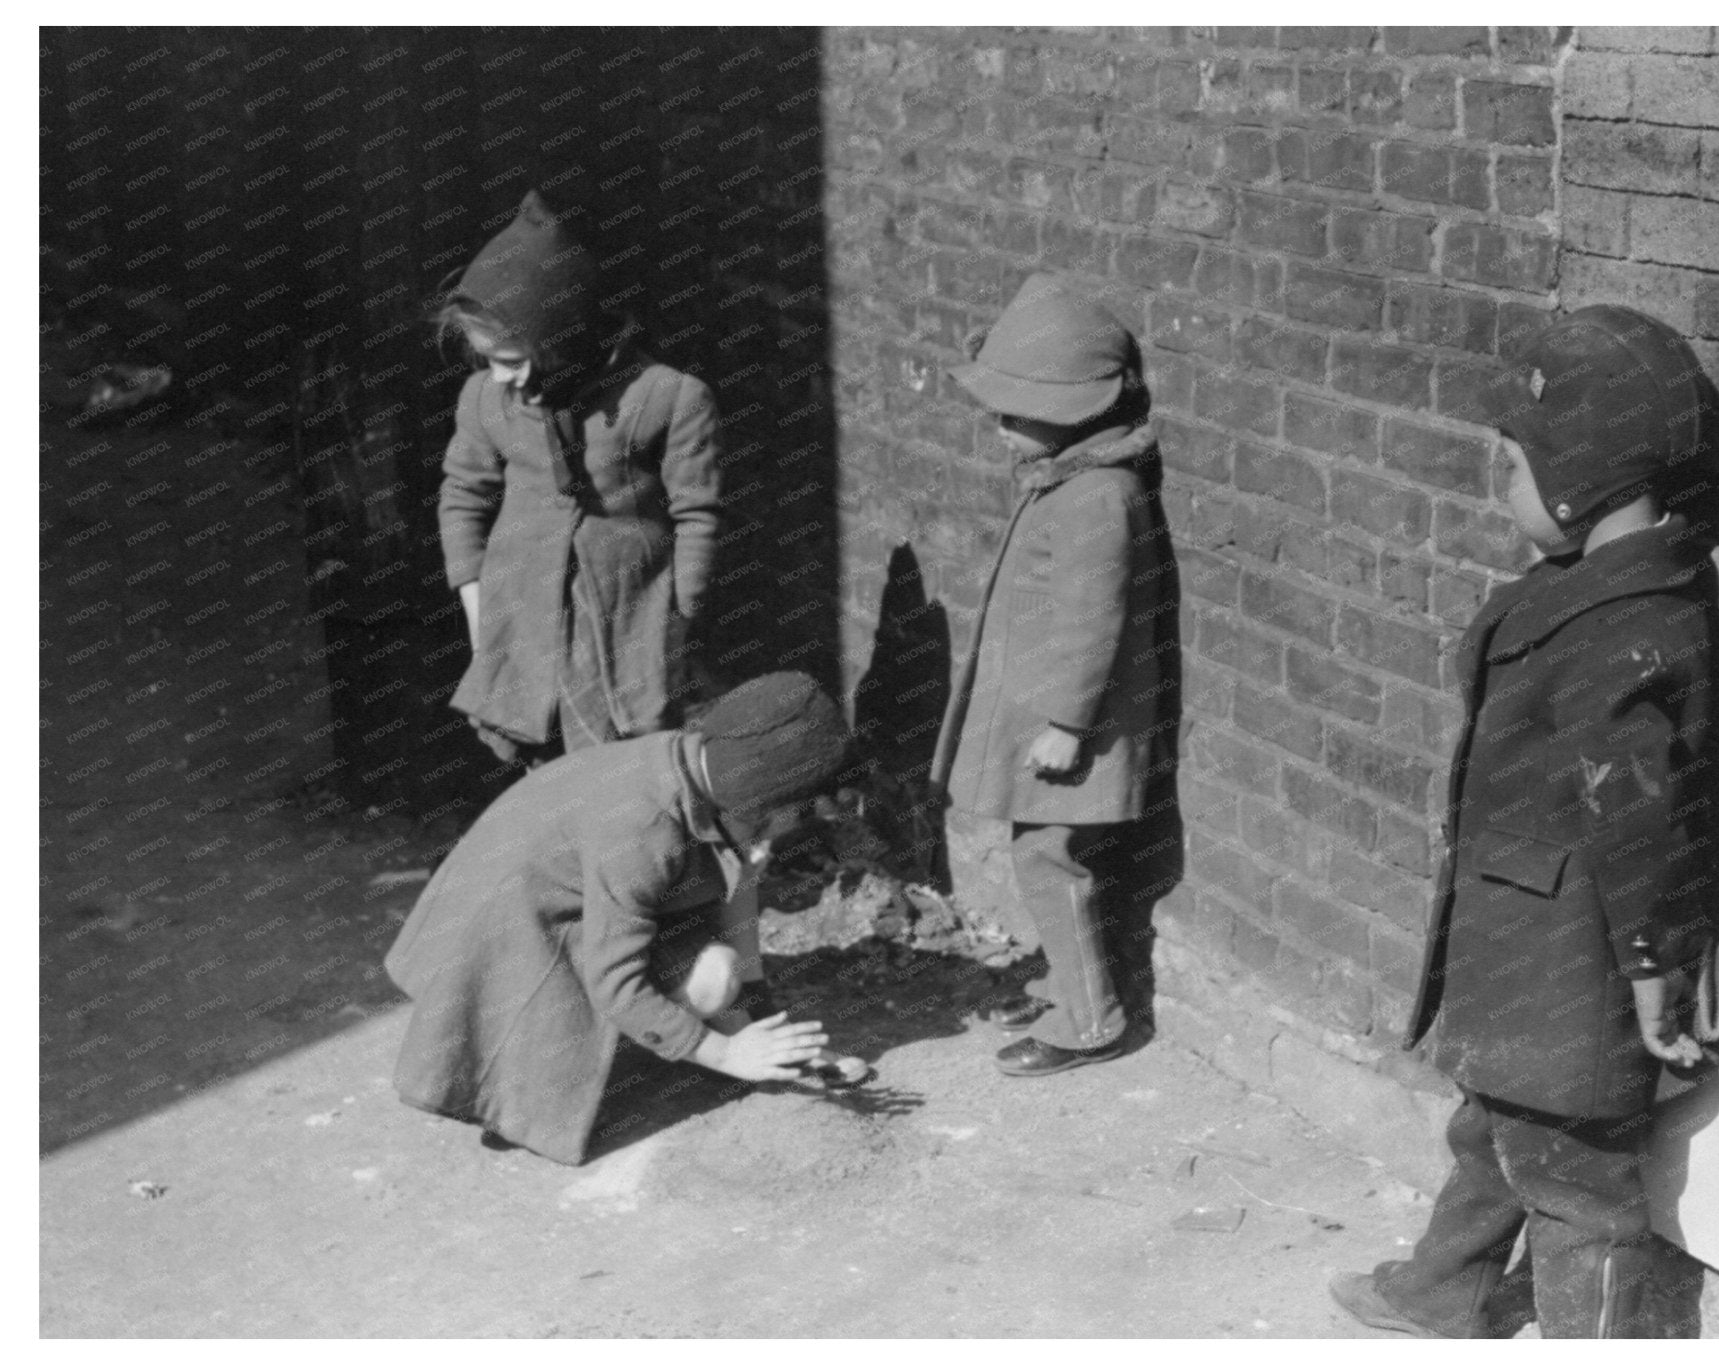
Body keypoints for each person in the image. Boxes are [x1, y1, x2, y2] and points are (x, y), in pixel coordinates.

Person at [1329, 305, 1719, 1338]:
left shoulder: (1621, 627)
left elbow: (1637, 818)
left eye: (1509, 468)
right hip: (1532, 948)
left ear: (1576, 477)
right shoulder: (1599, 591)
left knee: (1578, 1190)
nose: (1495, 489)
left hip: (1578, 962)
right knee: (1496, 1128)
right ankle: (1440, 1293)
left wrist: (1656, 967)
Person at [384, 672, 854, 1166]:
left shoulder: (693, 762)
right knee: (553, 1073)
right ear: (761, 793)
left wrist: (761, 1027)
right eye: (797, 809)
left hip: (561, 885)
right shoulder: (643, 831)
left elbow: (740, 898)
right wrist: (726, 1054)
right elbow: (615, 981)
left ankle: (667, 1030)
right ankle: (523, 1058)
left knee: (718, 973)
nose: (797, 824)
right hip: (508, 926)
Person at [930, 273, 1175, 1079]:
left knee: (1049, 862)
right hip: (1052, 725)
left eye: (1014, 413)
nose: (998, 429)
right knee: (1040, 855)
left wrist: (1068, 726)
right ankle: (1062, 982)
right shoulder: (1071, 481)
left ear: (1073, 413)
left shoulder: (1096, 498)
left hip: (1074, 732)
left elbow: (1092, 620)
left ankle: (1089, 1018)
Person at [430, 189, 721, 767]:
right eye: (487, 359)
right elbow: (462, 498)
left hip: (625, 626)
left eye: (512, 359)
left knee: (621, 774)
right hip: (526, 622)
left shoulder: (669, 396)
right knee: (541, 779)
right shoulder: (488, 400)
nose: (500, 376)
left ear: (560, 341)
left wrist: (676, 625)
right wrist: (480, 616)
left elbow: (698, 516)